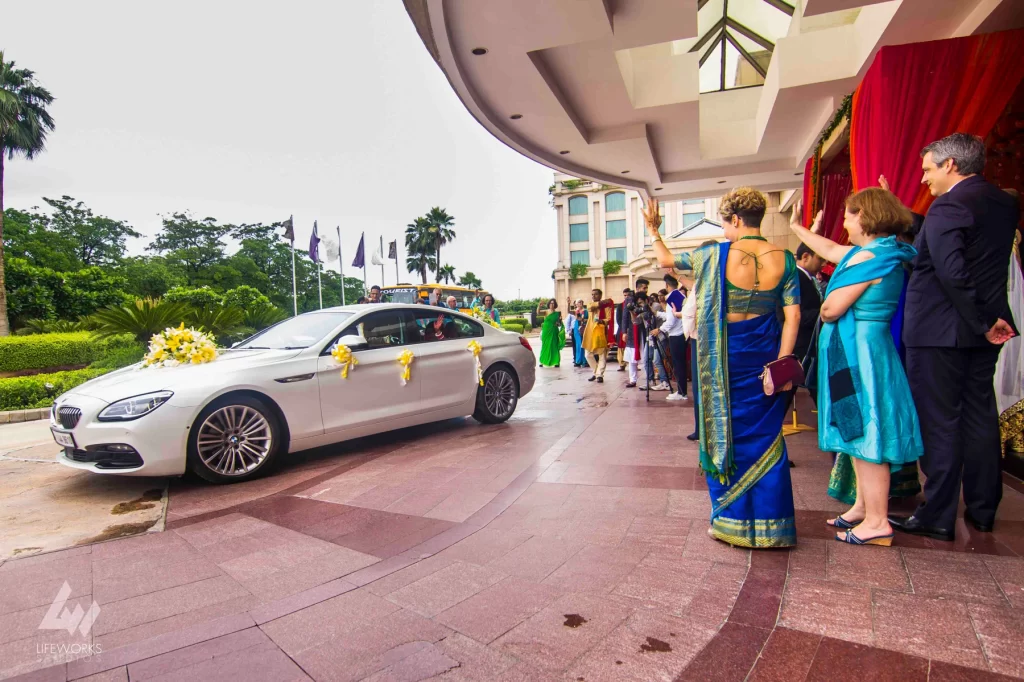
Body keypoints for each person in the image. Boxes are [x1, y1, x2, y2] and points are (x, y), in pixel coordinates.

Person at [649, 189, 798, 548]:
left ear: (734, 219)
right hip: (766, 358)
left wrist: (654, 230)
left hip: (724, 359)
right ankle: (772, 527)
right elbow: (792, 317)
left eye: (724, 221)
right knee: (766, 437)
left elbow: (666, 261)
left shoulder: (712, 255)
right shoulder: (785, 258)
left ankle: (732, 522)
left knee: (725, 433)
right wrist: (780, 365)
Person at [893, 133, 1019, 541]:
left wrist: (981, 319)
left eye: (928, 169)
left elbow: (950, 269)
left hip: (940, 330)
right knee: (980, 417)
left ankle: (938, 514)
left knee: (939, 422)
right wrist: (989, 321)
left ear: (950, 165)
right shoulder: (1003, 203)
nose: (925, 178)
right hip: (984, 329)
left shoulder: (948, 204)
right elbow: (954, 239)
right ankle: (983, 510)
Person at [790, 188, 923, 547]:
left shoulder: (870, 258)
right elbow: (831, 250)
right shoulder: (880, 252)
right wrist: (798, 228)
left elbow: (832, 309)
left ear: (863, 216)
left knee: (866, 431)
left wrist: (828, 301)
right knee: (861, 429)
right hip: (866, 349)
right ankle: (864, 506)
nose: (844, 223)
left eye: (848, 216)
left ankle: (878, 520)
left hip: (859, 354)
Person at [663, 274, 688, 401]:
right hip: (682, 335)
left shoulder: (670, 299)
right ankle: (682, 391)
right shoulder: (681, 295)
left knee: (678, 365)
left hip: (675, 336)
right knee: (680, 364)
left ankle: (681, 392)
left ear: (666, 285)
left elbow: (671, 321)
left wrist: (660, 329)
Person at [583, 289, 611, 383]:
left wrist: (602, 321)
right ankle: (596, 372)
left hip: (601, 332)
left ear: (600, 295)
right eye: (592, 294)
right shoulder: (590, 305)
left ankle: (600, 375)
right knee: (587, 354)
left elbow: (609, 319)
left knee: (602, 355)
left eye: (595, 294)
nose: (593, 296)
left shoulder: (607, 307)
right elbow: (590, 308)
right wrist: (601, 303)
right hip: (590, 333)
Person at [537, 299, 565, 368]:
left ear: (555, 305)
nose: (551, 305)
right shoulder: (546, 311)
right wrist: (539, 306)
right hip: (546, 330)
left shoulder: (558, 313)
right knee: (545, 345)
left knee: (554, 345)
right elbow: (538, 313)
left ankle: (556, 362)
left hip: (554, 330)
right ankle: (542, 361)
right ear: (549, 304)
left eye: (553, 303)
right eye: (550, 303)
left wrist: (558, 323)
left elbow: (559, 323)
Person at [616, 288, 632, 372]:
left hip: (632, 328)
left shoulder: (633, 304)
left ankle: (633, 364)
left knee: (631, 347)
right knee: (621, 347)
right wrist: (624, 328)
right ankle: (622, 364)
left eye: (628, 295)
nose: (626, 297)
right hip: (622, 329)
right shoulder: (620, 306)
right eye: (625, 295)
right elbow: (618, 319)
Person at [573, 300, 589, 367]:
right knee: (578, 344)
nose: (579, 304)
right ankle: (578, 361)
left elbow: (588, 319)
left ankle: (584, 361)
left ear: (582, 303)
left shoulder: (586, 311)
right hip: (577, 327)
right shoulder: (575, 311)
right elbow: (569, 312)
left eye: (580, 302)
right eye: (577, 303)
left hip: (584, 327)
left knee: (584, 344)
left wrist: (583, 319)